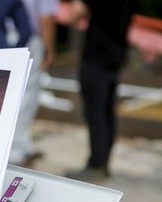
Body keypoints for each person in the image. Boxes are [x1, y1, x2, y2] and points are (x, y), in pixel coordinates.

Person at [66, 0, 139, 182]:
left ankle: (96, 165)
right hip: (116, 56)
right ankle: (103, 164)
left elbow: (74, 14)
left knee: (95, 113)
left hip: (96, 56)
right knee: (107, 112)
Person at [8, 0, 59, 168]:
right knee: (26, 94)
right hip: (25, 35)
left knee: (10, 92)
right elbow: (46, 15)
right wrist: (49, 46)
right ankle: (14, 150)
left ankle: (21, 144)